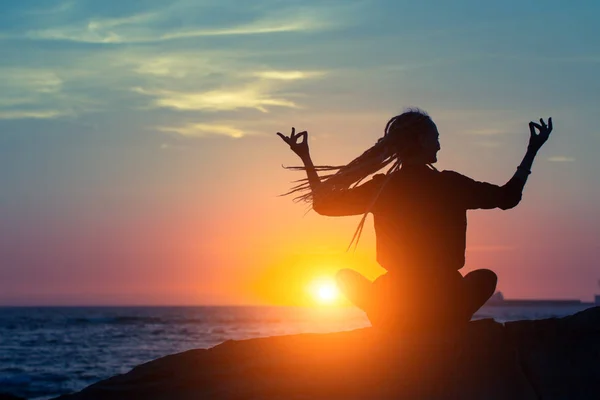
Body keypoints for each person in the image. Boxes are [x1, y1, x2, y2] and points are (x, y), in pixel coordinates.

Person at [277, 109, 553, 330]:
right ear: (420, 141)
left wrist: (306, 158)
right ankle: (446, 324)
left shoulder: (383, 188)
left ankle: (390, 323)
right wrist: (532, 151)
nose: (439, 144)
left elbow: (324, 205)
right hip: (444, 296)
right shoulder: (450, 184)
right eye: (435, 137)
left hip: (394, 297)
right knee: (485, 278)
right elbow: (508, 198)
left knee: (344, 278)